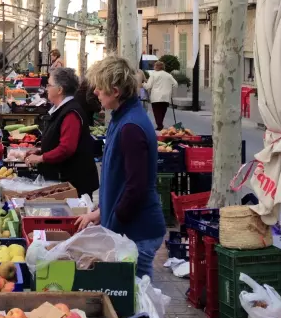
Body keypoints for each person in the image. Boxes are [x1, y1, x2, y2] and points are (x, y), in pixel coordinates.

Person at [76, 55, 166, 279]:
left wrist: (112, 223)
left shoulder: (131, 127)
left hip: (138, 231)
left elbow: (136, 187)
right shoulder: (122, 118)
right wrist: (101, 213)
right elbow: (121, 179)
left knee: (137, 301)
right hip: (132, 228)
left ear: (115, 91)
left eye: (99, 87)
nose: (96, 92)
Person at [24, 67, 99, 198]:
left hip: (74, 184)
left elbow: (66, 148)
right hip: (64, 179)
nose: (46, 88)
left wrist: (41, 158)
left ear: (60, 90)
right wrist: (41, 150)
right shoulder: (61, 109)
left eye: (49, 85)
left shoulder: (71, 113)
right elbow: (57, 139)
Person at [146, 61, 179, 130]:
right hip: (166, 96)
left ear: (156, 67)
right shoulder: (168, 75)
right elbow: (175, 84)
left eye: (155, 66)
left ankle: (159, 125)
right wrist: (171, 91)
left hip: (156, 96)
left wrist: (143, 84)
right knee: (162, 111)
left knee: (156, 111)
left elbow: (148, 86)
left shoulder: (153, 75)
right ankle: (160, 124)